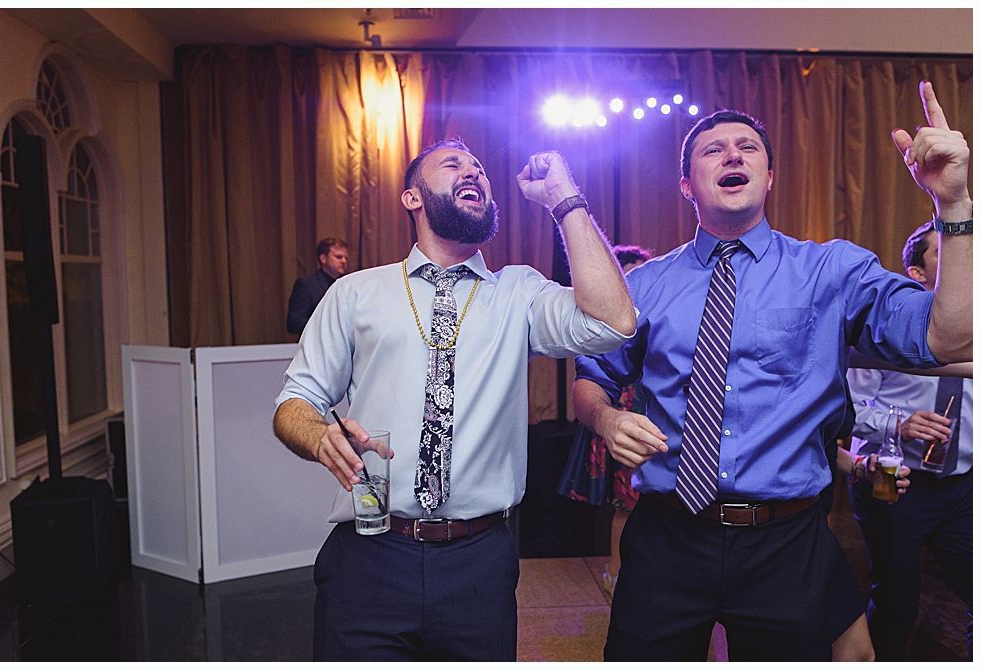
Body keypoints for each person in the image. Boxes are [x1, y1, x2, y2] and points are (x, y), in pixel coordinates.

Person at [573, 81, 971, 661]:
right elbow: (593, 378)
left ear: (769, 177)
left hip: (787, 541)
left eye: (748, 148)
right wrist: (606, 420)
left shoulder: (832, 270)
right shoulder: (644, 284)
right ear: (687, 184)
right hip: (667, 535)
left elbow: (950, 334)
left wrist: (954, 207)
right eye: (713, 150)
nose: (733, 155)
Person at [272, 139, 636, 661]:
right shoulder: (356, 292)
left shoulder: (519, 292)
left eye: (480, 169)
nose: (474, 172)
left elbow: (613, 323)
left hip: (478, 561)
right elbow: (294, 402)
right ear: (412, 199)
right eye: (453, 164)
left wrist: (564, 198)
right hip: (369, 553)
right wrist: (319, 436)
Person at [847, 220, 973, 661]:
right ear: (917, 272)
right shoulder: (885, 325)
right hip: (894, 483)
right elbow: (850, 411)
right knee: (898, 600)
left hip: (960, 486)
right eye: (946, 252)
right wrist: (898, 425)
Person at [557, 243, 653, 600]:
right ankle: (615, 570)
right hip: (622, 415)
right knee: (626, 502)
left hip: (651, 417)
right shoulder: (606, 324)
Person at [285, 237, 349, 336]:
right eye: (338, 257)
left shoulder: (348, 284)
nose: (344, 261)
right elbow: (294, 323)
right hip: (316, 345)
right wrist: (328, 327)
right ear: (323, 258)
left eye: (346, 258)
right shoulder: (306, 285)